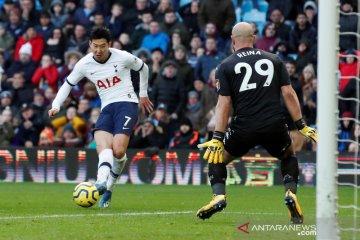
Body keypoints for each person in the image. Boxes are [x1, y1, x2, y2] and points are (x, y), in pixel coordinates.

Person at [196, 22, 318, 224]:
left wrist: (218, 136)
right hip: (274, 124)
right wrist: (301, 125)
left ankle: (219, 196)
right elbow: (288, 93)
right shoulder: (274, 59)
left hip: (243, 126)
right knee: (288, 156)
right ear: (254, 38)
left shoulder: (225, 66)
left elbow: (223, 103)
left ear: (233, 40)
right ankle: (290, 194)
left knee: (217, 159)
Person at [48, 26, 153, 209]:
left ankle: (110, 187)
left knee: (119, 151)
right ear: (90, 44)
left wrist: (143, 94)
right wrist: (56, 105)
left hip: (127, 104)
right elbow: (68, 83)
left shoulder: (123, 56)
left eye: (102, 46)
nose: (98, 50)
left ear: (109, 45)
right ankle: (100, 183)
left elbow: (144, 68)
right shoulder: (84, 64)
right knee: (103, 146)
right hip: (106, 108)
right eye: (95, 46)